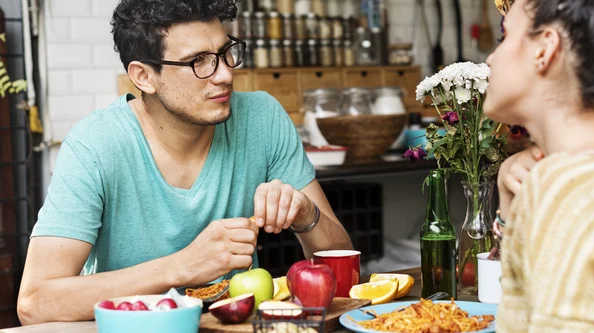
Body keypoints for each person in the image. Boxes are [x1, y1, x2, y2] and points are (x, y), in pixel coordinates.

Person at [17, 0, 353, 325]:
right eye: (199, 61)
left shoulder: (262, 118)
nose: (224, 75)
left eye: (225, 53)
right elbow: (34, 303)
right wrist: (181, 267)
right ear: (144, 77)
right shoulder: (95, 145)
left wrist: (306, 215)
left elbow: (345, 271)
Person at [485, 0, 594, 331]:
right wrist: (510, 204)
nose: (491, 59)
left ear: (545, 49)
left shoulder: (567, 191)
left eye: (504, 36)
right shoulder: (559, 181)